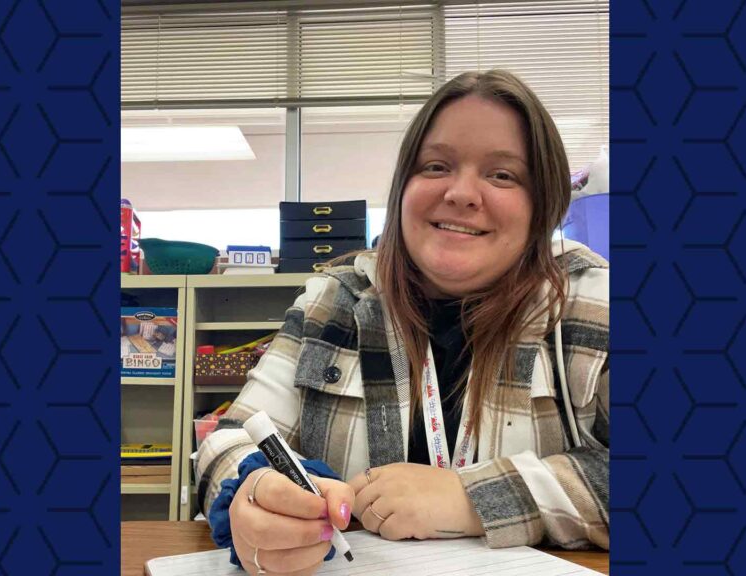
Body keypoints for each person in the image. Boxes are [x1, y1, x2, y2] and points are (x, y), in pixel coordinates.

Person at [195, 69, 609, 576]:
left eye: (502, 175)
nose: (460, 193)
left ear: (542, 204)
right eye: (436, 166)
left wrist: (473, 498)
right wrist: (256, 492)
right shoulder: (335, 298)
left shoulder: (591, 300)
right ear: (402, 189)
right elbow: (228, 439)